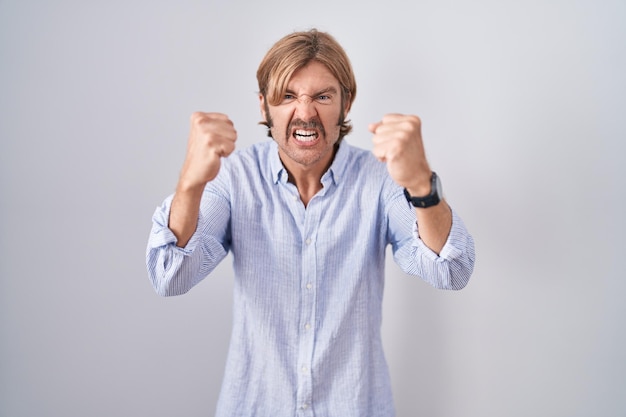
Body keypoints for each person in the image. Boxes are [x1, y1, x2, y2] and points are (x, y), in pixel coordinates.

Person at [146, 28, 475, 417]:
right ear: (263, 107)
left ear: (346, 104)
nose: (304, 113)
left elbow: (452, 271)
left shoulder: (379, 181)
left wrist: (422, 185)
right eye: (287, 96)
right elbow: (169, 275)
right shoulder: (235, 179)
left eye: (322, 96)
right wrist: (190, 182)